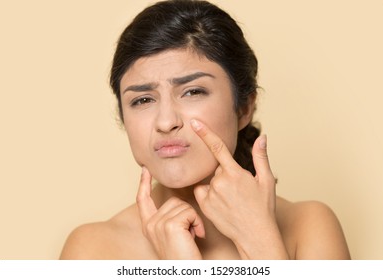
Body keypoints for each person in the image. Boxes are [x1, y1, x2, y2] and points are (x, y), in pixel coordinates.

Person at [60, 0, 350, 260]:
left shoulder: (308, 227)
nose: (165, 122)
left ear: (244, 108)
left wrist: (261, 242)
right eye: (143, 99)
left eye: (193, 92)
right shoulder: (92, 250)